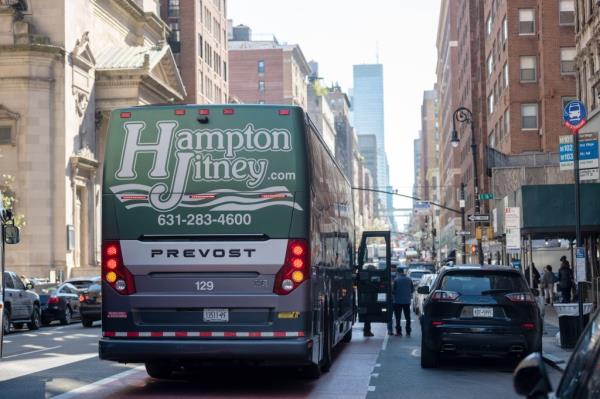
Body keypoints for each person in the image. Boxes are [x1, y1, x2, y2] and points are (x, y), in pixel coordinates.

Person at [392, 268, 414, 337]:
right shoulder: (409, 279)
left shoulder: (396, 280)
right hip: (407, 301)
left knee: (398, 318)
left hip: (397, 301)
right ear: (403, 272)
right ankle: (408, 331)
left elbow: (393, 291)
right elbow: (412, 289)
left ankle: (399, 332)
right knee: (408, 317)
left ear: (398, 272)